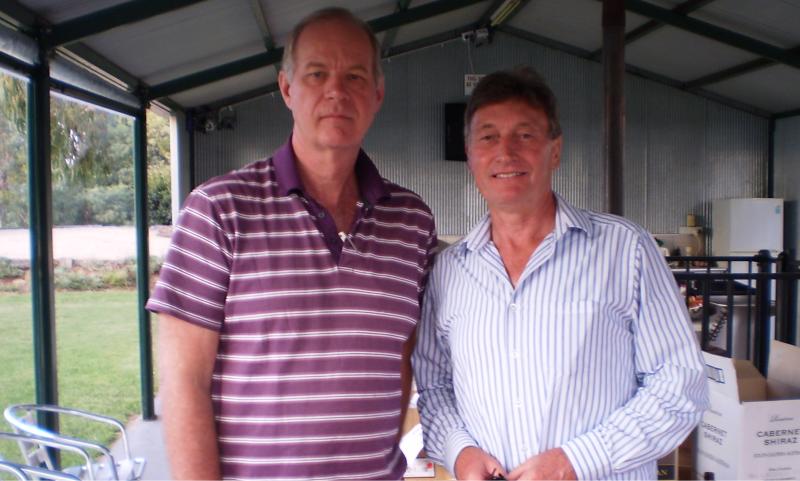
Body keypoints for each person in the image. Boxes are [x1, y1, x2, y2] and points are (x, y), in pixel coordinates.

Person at [147, 8, 436, 480]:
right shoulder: (219, 210)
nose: (336, 91)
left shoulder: (411, 221)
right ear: (286, 88)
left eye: (355, 76)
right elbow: (184, 384)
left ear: (378, 94)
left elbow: (402, 357)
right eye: (317, 74)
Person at [412, 68, 708, 480]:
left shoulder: (625, 250)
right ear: (470, 155)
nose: (506, 152)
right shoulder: (449, 272)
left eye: (525, 135)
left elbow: (679, 385)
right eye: (488, 137)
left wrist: (578, 461)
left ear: (555, 150)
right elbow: (435, 387)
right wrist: (460, 453)